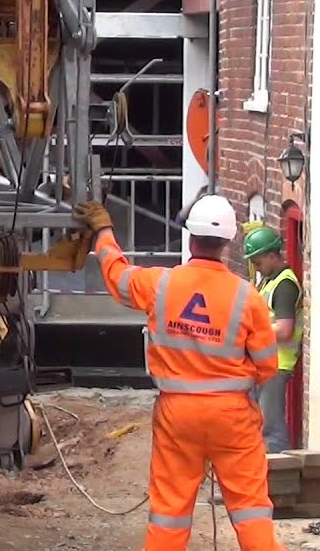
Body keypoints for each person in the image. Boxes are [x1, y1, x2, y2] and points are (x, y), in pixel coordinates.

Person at [73, 194, 284, 551]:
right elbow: (267, 366)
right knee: (251, 509)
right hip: (232, 415)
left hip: (177, 413)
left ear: (191, 239)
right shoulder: (247, 297)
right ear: (227, 242)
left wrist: (104, 231)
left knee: (170, 510)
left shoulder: (161, 284)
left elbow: (117, 276)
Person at [242, 225, 302, 453]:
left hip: (277, 364)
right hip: (264, 362)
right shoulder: (269, 280)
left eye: (258, 263)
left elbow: (285, 330)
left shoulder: (285, 285)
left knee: (271, 428)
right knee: (258, 424)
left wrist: (252, 331)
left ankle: (278, 470)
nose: (256, 268)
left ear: (271, 256)